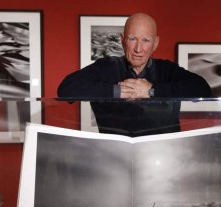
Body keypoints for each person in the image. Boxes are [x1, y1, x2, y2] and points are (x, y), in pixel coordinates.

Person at [57, 13, 211, 137]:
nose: (138, 49)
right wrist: (116, 91)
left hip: (163, 157)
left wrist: (151, 91)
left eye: (146, 41)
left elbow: (203, 89)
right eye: (132, 39)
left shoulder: (167, 69)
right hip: (114, 158)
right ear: (122, 40)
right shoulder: (105, 67)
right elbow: (66, 89)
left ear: (155, 43)